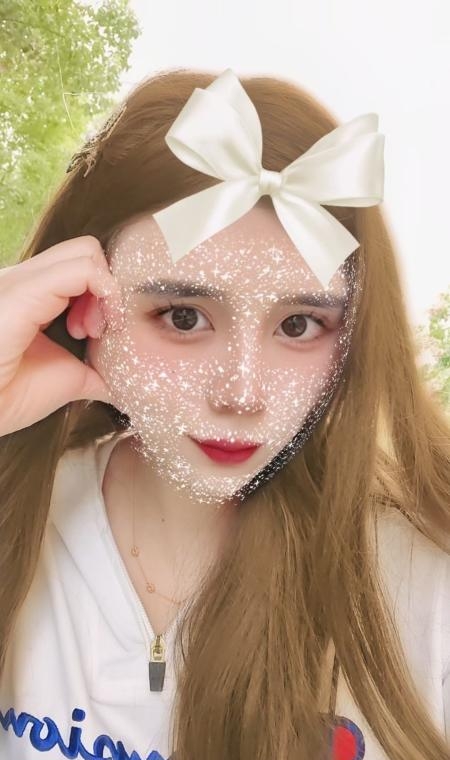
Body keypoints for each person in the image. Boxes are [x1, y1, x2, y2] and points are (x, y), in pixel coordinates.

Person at [0, 67, 449, 760]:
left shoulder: (425, 584)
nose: (242, 393)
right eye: (183, 316)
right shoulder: (19, 511)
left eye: (298, 325)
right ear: (84, 304)